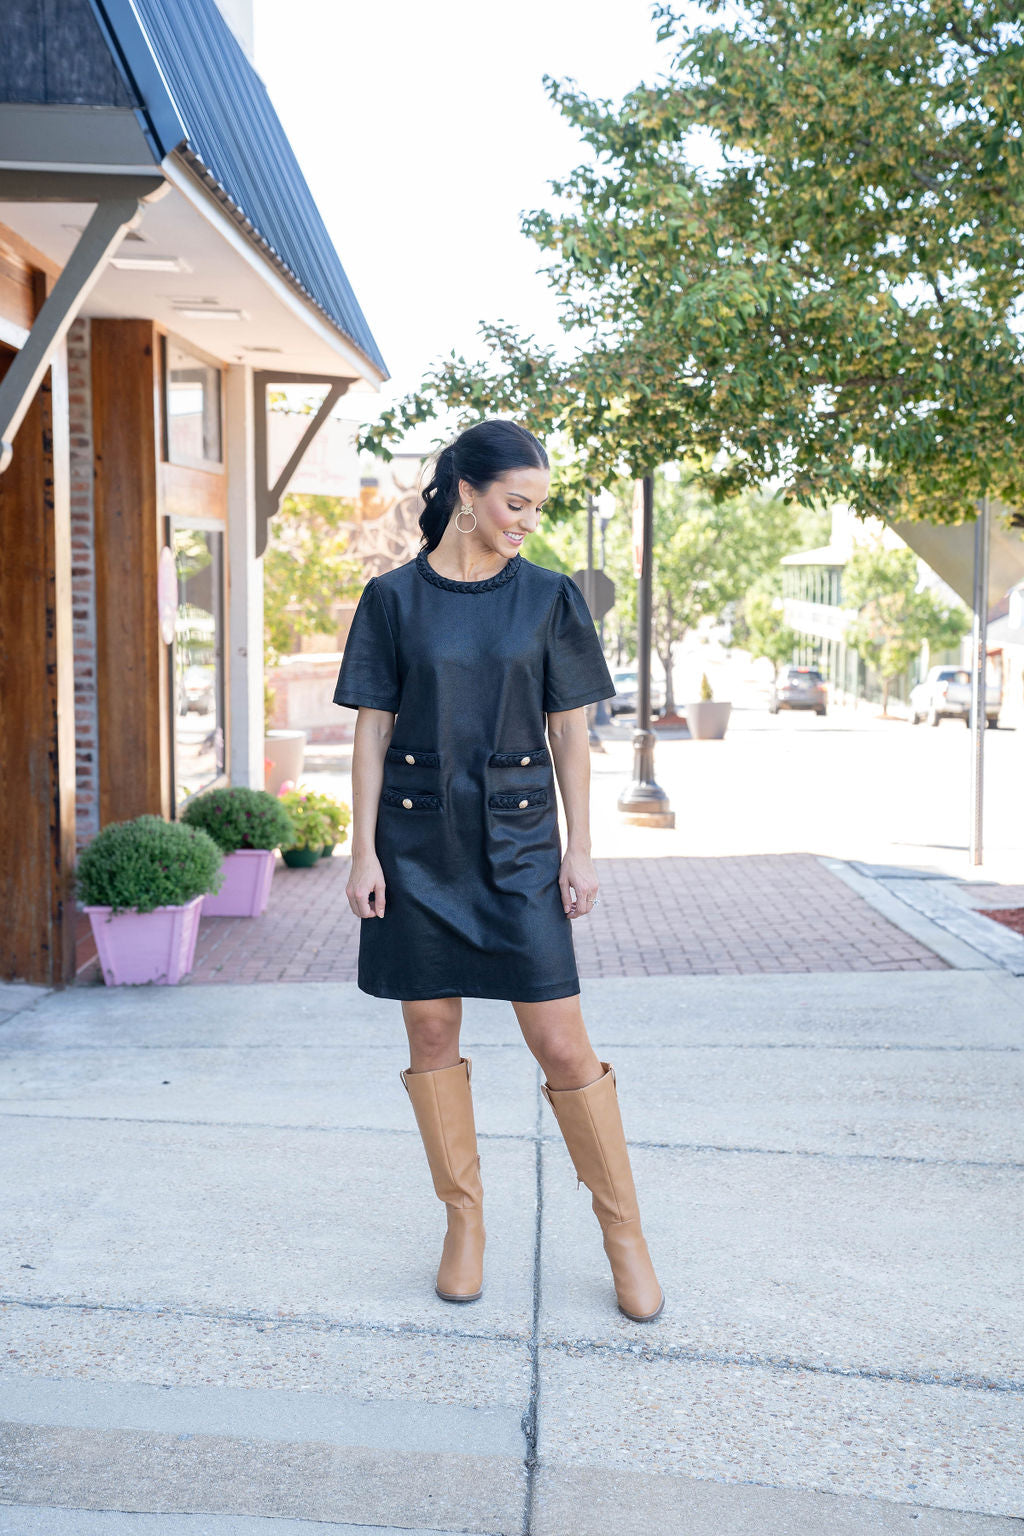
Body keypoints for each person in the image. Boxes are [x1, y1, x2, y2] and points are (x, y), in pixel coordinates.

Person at [333, 418, 663, 1323]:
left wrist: (580, 846)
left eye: (538, 509)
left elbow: (570, 732)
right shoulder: (392, 599)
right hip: (416, 843)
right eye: (516, 504)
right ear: (467, 492)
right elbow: (370, 729)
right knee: (432, 1033)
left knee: (562, 1044)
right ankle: (464, 1224)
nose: (528, 522)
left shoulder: (550, 598)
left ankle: (623, 1233)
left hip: (518, 845)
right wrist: (362, 849)